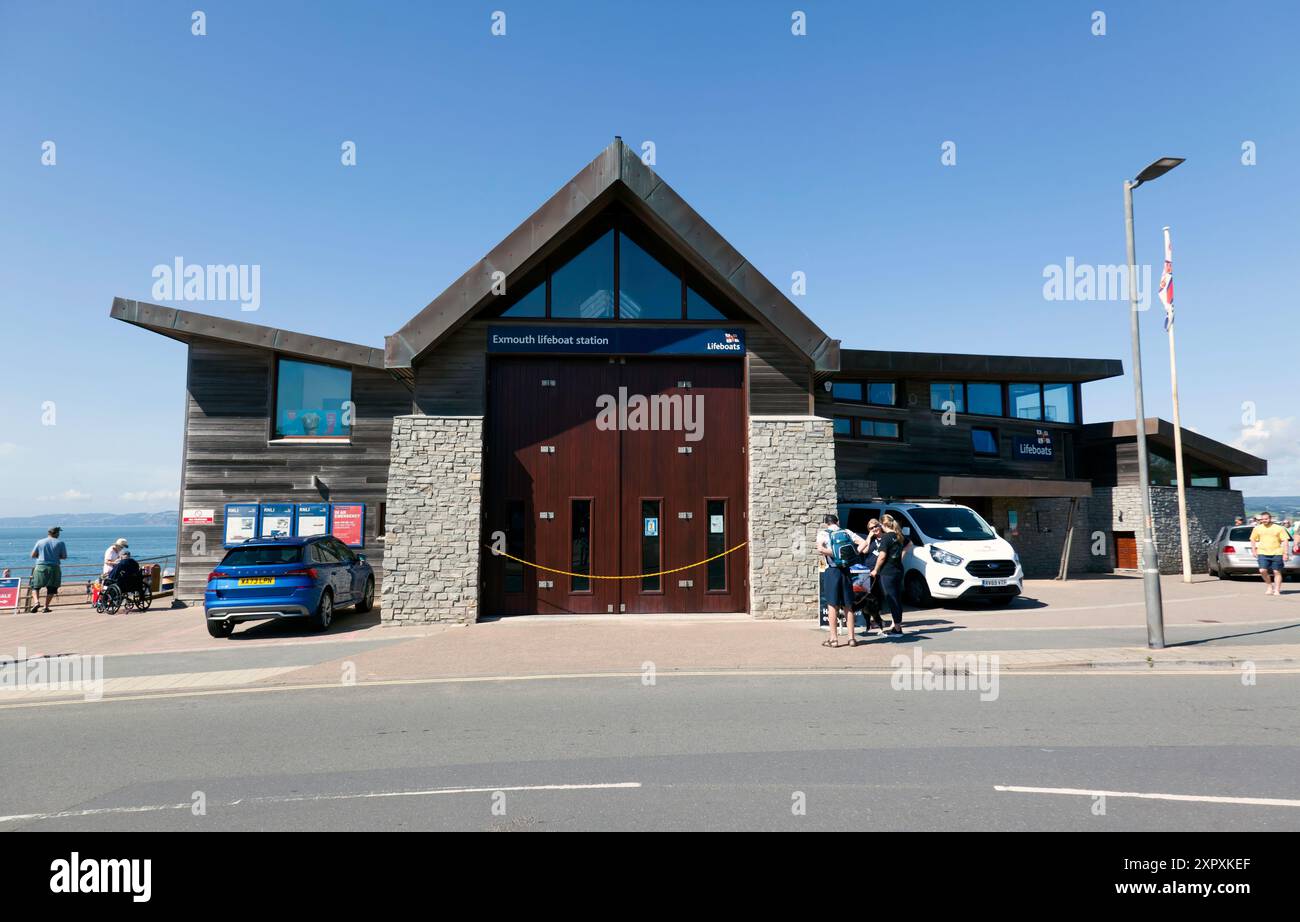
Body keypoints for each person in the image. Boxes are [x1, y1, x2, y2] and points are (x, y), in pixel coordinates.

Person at [816, 514, 868, 647]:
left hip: (832, 570)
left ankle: (833, 639)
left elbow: (820, 549)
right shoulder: (846, 532)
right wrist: (853, 554)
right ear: (837, 521)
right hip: (846, 571)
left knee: (832, 605)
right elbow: (864, 542)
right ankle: (851, 638)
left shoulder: (823, 533)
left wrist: (835, 554)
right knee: (848, 605)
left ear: (826, 523)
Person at [870, 514, 909, 635]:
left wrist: (876, 570)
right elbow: (909, 544)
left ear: (882, 524)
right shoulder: (898, 535)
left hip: (888, 572)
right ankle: (897, 626)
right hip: (898, 570)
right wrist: (900, 558)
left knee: (892, 599)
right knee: (897, 598)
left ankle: (897, 628)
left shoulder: (886, 537)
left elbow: (882, 556)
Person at [1250, 511, 1290, 596]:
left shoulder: (1279, 528)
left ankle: (1277, 590)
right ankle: (1269, 586)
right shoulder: (1257, 528)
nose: (1264, 520)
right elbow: (1252, 539)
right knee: (1262, 570)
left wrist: (1285, 553)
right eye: (1263, 519)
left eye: (1266, 519)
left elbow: (1285, 540)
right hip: (1262, 552)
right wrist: (1253, 550)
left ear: (1270, 518)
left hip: (1277, 552)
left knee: (1277, 572)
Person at [29, 526, 68, 613]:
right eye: (58, 533)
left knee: (35, 586)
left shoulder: (40, 542)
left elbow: (32, 555)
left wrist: (42, 556)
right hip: (54, 567)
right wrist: (55, 556)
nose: (59, 534)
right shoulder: (60, 543)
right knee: (52, 588)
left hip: (40, 566)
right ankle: (45, 606)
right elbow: (64, 556)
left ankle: (36, 602)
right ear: (56, 533)